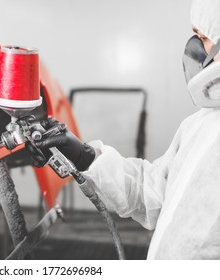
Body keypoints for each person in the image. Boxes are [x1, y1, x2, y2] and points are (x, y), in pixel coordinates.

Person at [27, 0, 220, 259]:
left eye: (203, 38)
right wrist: (86, 157)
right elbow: (153, 194)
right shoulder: (202, 124)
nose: (195, 50)